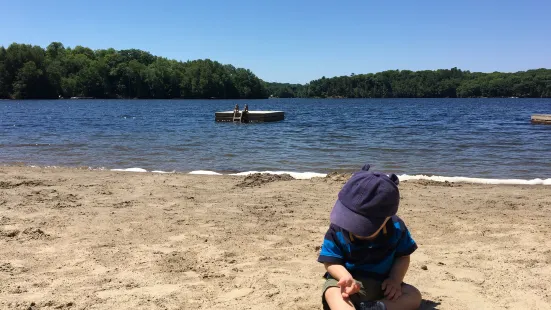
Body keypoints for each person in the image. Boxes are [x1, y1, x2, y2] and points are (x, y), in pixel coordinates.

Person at [318, 164, 422, 310]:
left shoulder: (397, 228)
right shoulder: (337, 229)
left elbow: (403, 256)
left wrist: (395, 279)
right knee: (332, 292)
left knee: (414, 296)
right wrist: (344, 276)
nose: (352, 228)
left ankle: (374, 307)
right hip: (348, 284)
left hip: (383, 285)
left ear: (388, 217)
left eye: (362, 225)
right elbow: (330, 261)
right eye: (349, 220)